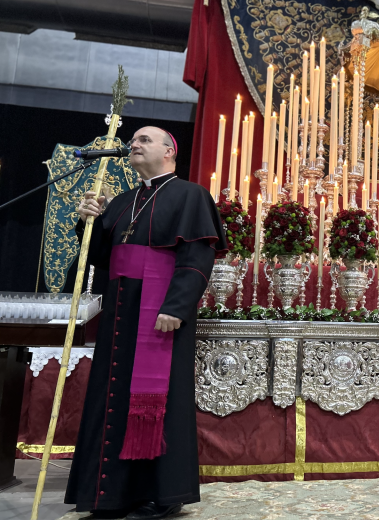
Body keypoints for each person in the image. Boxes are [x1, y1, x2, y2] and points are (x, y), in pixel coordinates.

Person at [65, 127, 228, 519]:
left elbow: (195, 259)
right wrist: (87, 222)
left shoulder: (191, 195)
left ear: (170, 151)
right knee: (111, 398)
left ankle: (160, 494)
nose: (134, 145)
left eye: (144, 140)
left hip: (160, 314)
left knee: (160, 402)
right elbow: (101, 256)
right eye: (133, 140)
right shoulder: (122, 201)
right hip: (120, 312)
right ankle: (109, 494)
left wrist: (176, 306)